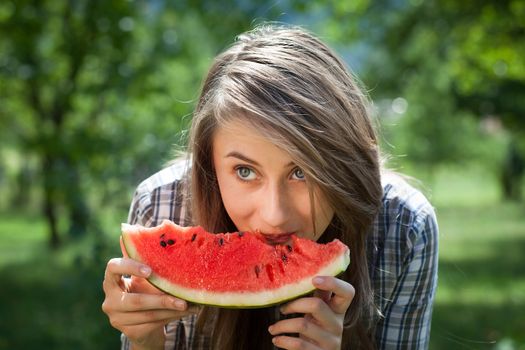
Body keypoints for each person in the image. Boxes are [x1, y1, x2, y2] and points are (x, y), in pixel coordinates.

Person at [102, 24, 438, 350]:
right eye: (245, 171)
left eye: (302, 172)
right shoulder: (160, 203)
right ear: (209, 164)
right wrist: (145, 343)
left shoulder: (404, 226)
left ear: (342, 164)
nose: (275, 215)